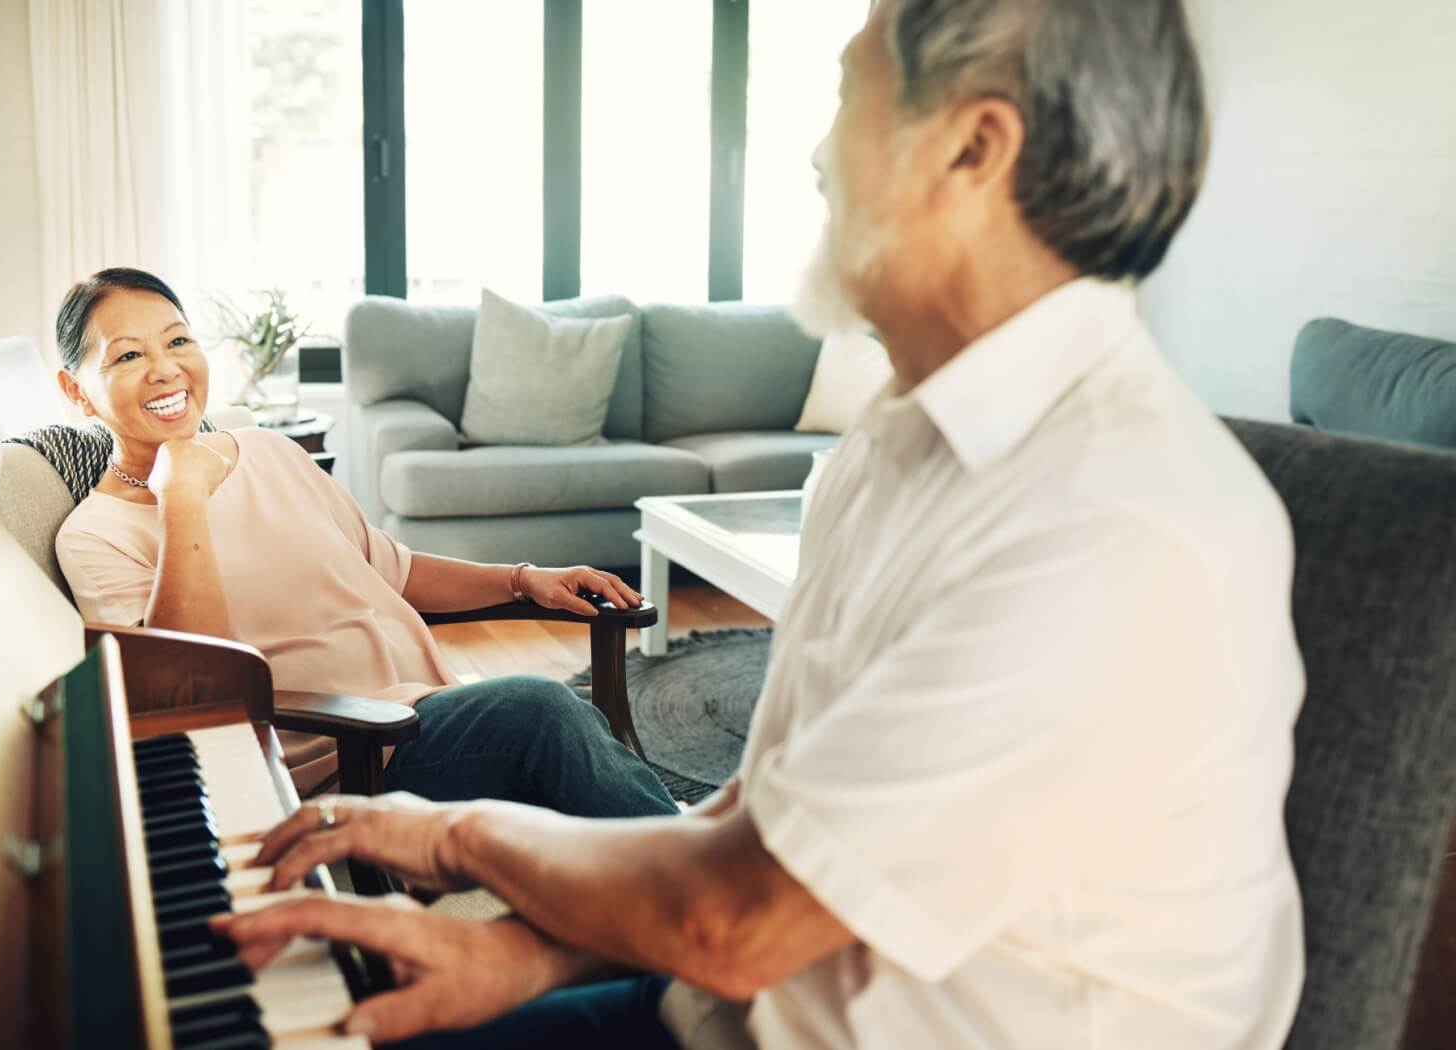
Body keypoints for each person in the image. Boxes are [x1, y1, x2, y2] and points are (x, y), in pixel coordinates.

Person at [215, 1, 1308, 1048]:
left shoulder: (1111, 525)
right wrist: (526, 955)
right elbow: (755, 817)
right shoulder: (893, 442)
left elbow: (736, 918)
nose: (818, 155)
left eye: (847, 92)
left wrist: (459, 834)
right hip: (720, 1010)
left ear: (973, 148)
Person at [52, 267, 676, 818]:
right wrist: (181, 496)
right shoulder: (94, 538)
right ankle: (710, 896)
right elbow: (192, 691)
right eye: (127, 356)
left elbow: (392, 569)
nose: (166, 369)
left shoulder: (269, 451)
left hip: (428, 715)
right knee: (544, 711)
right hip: (346, 763)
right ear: (76, 390)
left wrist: (523, 578)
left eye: (178, 340)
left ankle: (675, 884)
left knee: (569, 753)